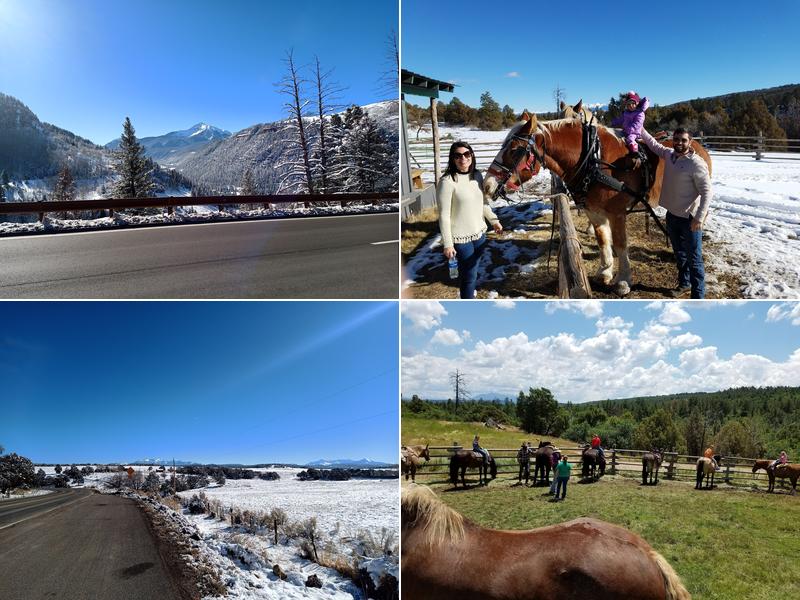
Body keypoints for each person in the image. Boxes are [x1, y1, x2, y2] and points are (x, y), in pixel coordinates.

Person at [638, 126, 713, 299]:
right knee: (679, 254)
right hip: (672, 215)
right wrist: (639, 126)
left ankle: (698, 295)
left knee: (694, 258)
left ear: (690, 142)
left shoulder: (696, 163)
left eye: (684, 140)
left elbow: (707, 192)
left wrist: (699, 218)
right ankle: (684, 283)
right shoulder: (669, 155)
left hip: (689, 219)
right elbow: (652, 144)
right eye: (677, 139)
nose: (679, 143)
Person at [437, 141, 503, 299]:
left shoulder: (477, 176)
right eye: (458, 155)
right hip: (461, 239)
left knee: (472, 271)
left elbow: (483, 203)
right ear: (453, 159)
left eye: (467, 154)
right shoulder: (447, 182)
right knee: (469, 276)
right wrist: (448, 244)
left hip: (480, 234)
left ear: (472, 156)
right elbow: (443, 215)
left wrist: (494, 220)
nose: (463, 158)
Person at [611, 91, 650, 163]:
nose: (630, 106)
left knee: (630, 138)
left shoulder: (640, 113)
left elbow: (637, 124)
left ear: (637, 103)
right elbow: (621, 119)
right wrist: (613, 122)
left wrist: (629, 130)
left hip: (635, 133)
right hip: (626, 131)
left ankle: (635, 150)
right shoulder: (626, 112)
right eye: (628, 104)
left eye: (632, 103)